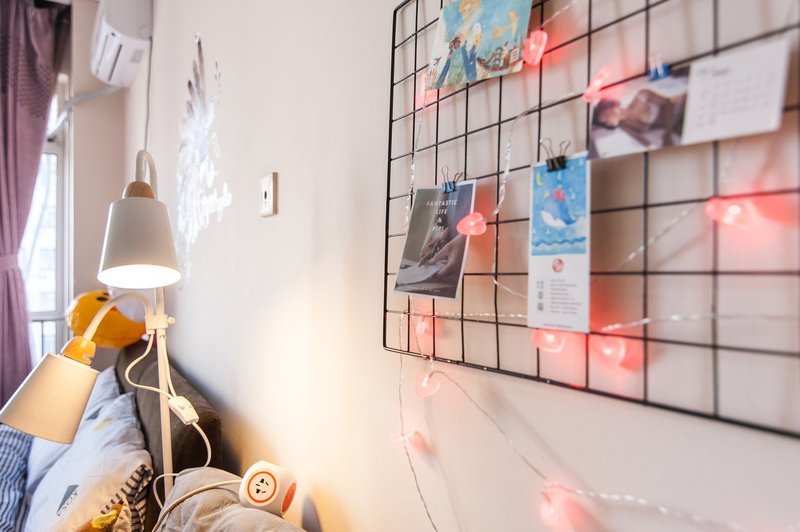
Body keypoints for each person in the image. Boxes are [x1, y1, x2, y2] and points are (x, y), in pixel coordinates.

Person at [592, 88, 686, 148]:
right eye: (606, 121)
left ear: (609, 106)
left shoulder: (642, 96)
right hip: (675, 128)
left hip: (680, 109)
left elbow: (668, 103)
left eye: (606, 114)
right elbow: (645, 142)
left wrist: (668, 133)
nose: (608, 118)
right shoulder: (624, 126)